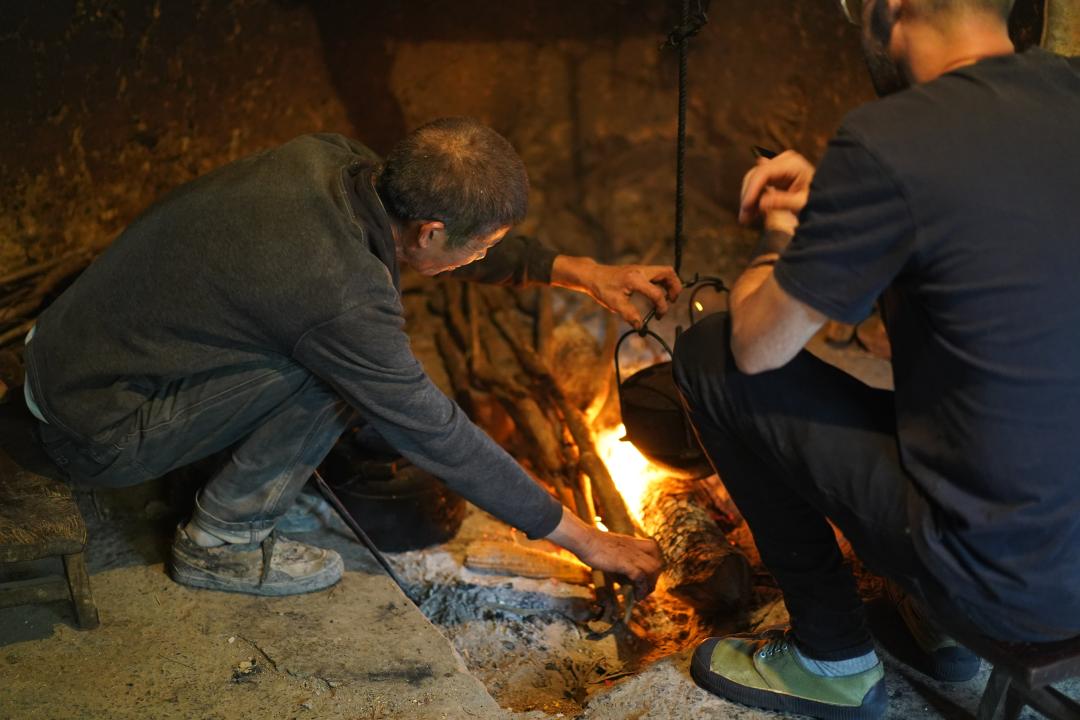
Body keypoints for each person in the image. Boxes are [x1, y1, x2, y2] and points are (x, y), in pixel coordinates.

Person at [23, 117, 671, 599]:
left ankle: (224, 483)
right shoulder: (340, 298)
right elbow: (439, 436)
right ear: (431, 233)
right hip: (94, 430)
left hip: (66, 355)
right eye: (482, 248)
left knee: (323, 353)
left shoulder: (334, 159)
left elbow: (438, 248)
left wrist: (583, 272)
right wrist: (589, 540)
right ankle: (222, 544)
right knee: (337, 377)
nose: (481, 259)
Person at [673, 0, 1080, 718]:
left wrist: (782, 232)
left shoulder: (893, 138)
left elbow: (757, 347)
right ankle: (933, 625)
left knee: (710, 355)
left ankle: (832, 659)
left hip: (1019, 590)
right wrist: (844, 207)